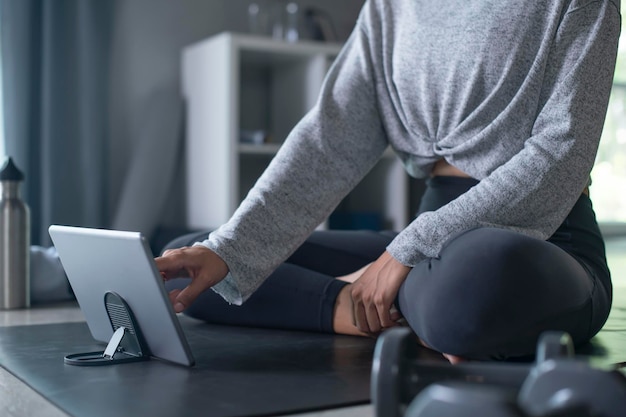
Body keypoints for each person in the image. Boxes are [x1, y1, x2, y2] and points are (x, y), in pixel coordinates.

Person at [156, 0, 621, 362]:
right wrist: (232, 248)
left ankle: (407, 300)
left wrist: (408, 250)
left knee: (473, 281)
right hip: (427, 245)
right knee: (205, 263)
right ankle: (360, 310)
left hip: (541, 238)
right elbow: (328, 141)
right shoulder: (389, 8)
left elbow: (562, 152)